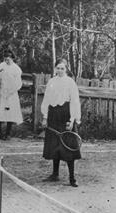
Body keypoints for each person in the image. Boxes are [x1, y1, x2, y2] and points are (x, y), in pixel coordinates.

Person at [41, 59, 81, 187]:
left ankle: (72, 177)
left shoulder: (70, 82)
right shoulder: (51, 82)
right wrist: (45, 117)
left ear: (66, 69)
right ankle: (55, 174)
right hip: (53, 114)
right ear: (55, 68)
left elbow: (74, 101)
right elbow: (46, 99)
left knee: (67, 145)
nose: (59, 70)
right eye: (57, 68)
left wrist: (72, 119)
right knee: (54, 145)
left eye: (62, 68)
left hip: (66, 114)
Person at [0, 50, 23, 140]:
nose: (7, 60)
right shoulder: (1, 66)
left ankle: (8, 133)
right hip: (1, 91)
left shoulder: (16, 68)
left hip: (11, 93)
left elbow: (18, 83)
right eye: (5, 59)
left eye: (9, 58)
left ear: (12, 58)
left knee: (10, 112)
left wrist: (11, 91)